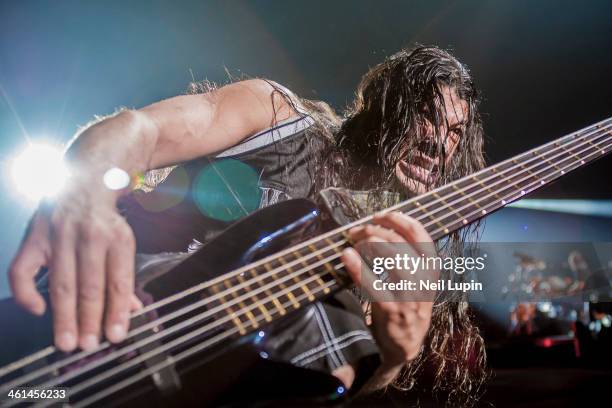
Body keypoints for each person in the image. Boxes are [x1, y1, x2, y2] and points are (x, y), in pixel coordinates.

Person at [9, 45, 487, 404]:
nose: (440, 144)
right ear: (384, 108)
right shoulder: (275, 114)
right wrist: (83, 190)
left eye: (454, 133)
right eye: (426, 117)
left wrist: (392, 359)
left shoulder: (393, 254)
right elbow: (142, 130)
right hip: (76, 332)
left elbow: (324, 385)